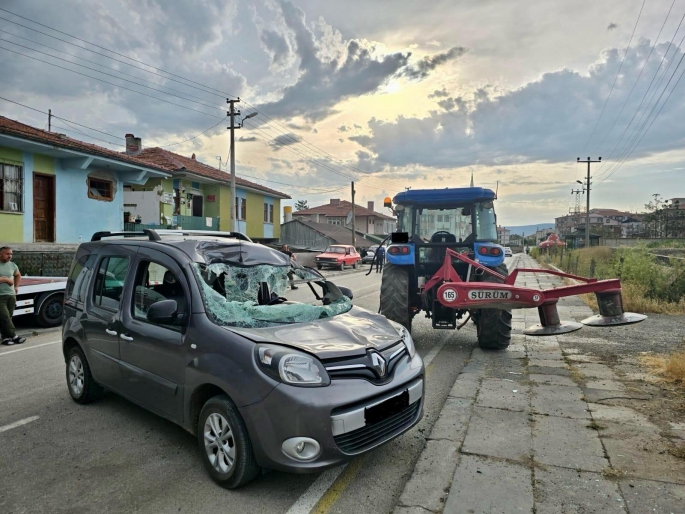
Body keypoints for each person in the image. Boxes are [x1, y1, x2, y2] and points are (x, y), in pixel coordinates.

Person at [0, 246, 26, 345]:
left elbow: (18, 275)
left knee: (8, 317)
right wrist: (6, 280)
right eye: (7, 254)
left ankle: (5, 338)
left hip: (11, 295)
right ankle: (14, 336)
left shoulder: (12, 265)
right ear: (1, 254)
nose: (10, 256)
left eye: (11, 254)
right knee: (5, 317)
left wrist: (16, 287)